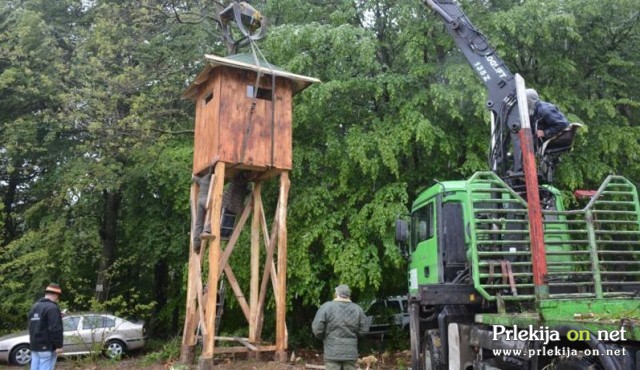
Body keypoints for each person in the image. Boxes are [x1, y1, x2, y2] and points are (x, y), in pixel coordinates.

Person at [311, 284, 368, 370]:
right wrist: (354, 337)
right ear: (349, 295)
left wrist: (325, 337)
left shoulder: (326, 307)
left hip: (332, 351)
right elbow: (364, 330)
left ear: (336, 294)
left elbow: (317, 329)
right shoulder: (358, 309)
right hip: (350, 352)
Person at [28, 283, 64, 370]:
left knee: (34, 367)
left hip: (34, 344)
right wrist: (59, 345)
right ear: (55, 295)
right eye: (58, 296)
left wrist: (58, 315)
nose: (57, 299)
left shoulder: (35, 306)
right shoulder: (52, 308)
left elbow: (35, 323)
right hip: (47, 346)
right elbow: (55, 329)